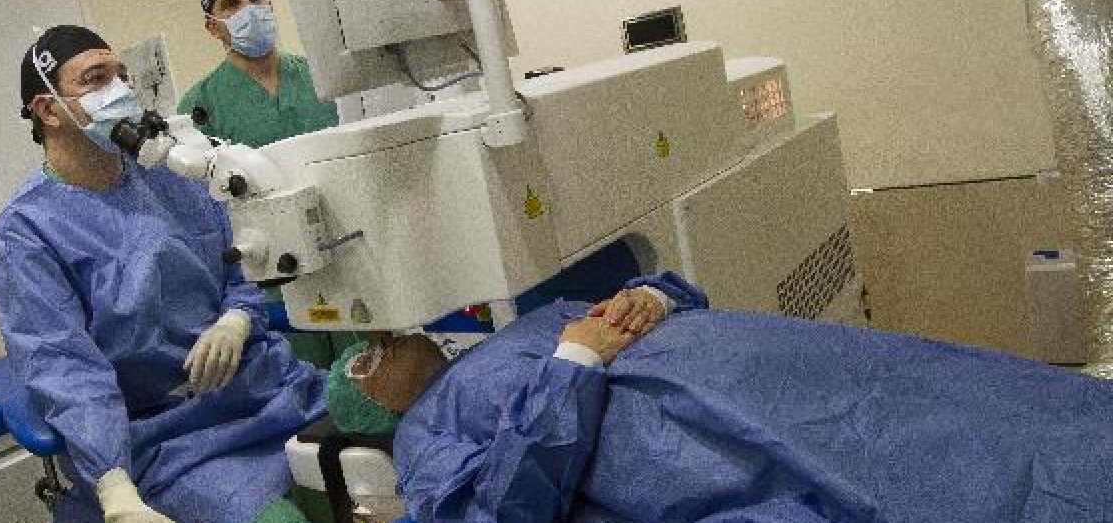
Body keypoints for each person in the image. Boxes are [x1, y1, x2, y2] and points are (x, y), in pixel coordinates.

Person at [329, 272, 1113, 522]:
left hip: (786, 368)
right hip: (705, 443)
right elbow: (504, 509)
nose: (386, 342)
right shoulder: (429, 442)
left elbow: (669, 287)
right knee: (934, 475)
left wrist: (656, 296)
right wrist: (572, 367)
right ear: (377, 407)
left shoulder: (513, 328)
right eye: (369, 356)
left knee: (956, 395)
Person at [0, 25, 325, 523]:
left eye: (121, 76)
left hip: (263, 389)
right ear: (47, 110)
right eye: (96, 79)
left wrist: (236, 320)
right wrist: (114, 485)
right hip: (164, 436)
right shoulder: (26, 232)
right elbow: (64, 366)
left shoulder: (172, 176)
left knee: (370, 465)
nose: (120, 92)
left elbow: (242, 266)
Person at [180, 0, 358, 372]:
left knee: (372, 384)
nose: (248, 9)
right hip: (273, 282)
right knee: (303, 396)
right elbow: (206, 217)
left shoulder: (324, 79)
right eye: (231, 4)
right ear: (213, 26)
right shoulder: (200, 108)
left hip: (349, 256)